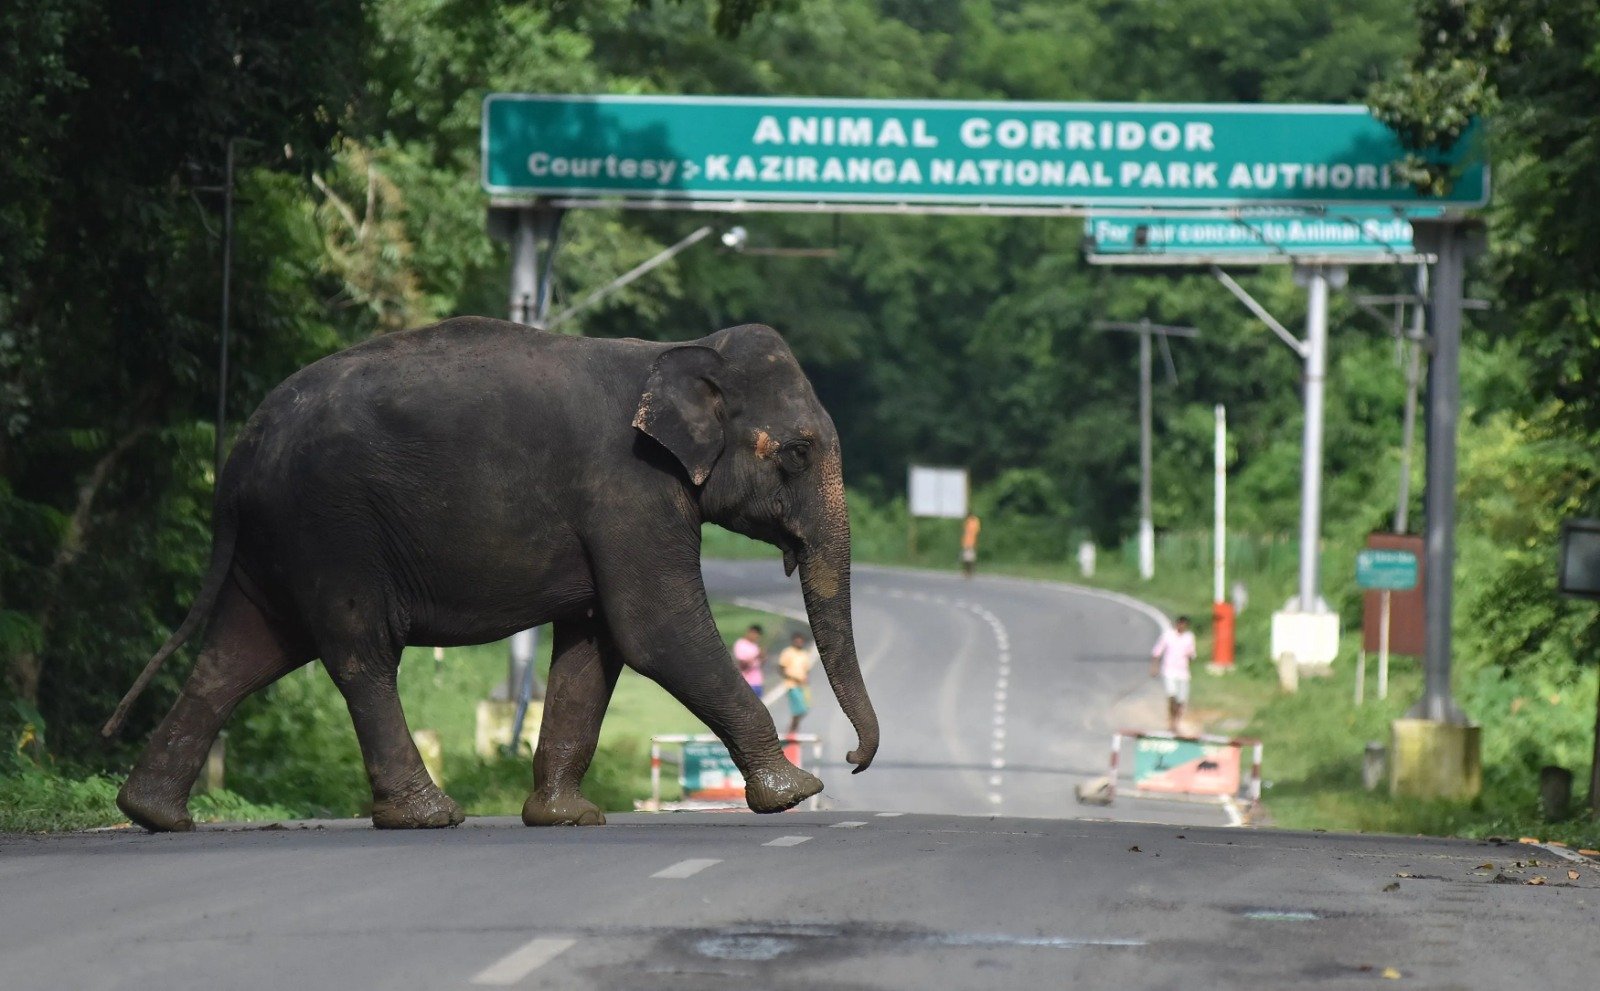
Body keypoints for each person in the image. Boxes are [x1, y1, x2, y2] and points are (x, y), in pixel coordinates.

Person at [1150, 615, 1197, 733]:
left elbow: (1191, 654)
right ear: (1177, 624)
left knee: (1181, 700)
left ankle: (1176, 721)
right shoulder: (1168, 635)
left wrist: (1190, 659)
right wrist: (1154, 668)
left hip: (1183, 672)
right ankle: (1172, 722)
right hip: (1169, 670)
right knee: (1172, 695)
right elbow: (1157, 652)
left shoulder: (1189, 637)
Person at [778, 632, 816, 736]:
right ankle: (792, 730)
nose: (799, 642)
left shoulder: (804, 654)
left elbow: (806, 670)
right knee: (799, 708)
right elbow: (781, 669)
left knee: (805, 708)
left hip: (803, 686)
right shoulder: (787, 652)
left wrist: (805, 679)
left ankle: (793, 729)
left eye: (801, 640)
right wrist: (794, 678)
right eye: (797, 640)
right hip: (792, 685)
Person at [733, 624, 766, 696]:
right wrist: (756, 656)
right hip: (747, 683)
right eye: (755, 634)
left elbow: (759, 664)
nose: (757, 637)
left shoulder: (755, 646)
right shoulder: (741, 644)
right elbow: (742, 665)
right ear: (750, 632)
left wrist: (762, 657)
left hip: (758, 683)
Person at [961, 512, 981, 579]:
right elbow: (965, 531)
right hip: (966, 543)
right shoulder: (967, 521)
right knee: (966, 558)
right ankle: (967, 571)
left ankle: (970, 571)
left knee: (971, 558)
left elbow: (977, 531)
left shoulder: (975, 521)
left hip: (972, 543)